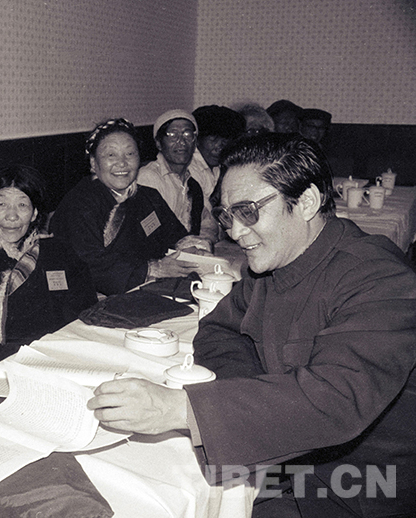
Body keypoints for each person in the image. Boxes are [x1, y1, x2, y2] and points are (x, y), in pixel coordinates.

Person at [88, 134, 416, 516]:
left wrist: (181, 409)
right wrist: (261, 398)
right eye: (227, 216)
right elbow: (218, 330)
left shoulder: (380, 278)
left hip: (364, 487)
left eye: (248, 211)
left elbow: (337, 397)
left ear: (307, 202)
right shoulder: (272, 267)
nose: (235, 232)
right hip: (285, 466)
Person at [0, 165, 97, 360]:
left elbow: (85, 311)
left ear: (34, 213)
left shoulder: (59, 252)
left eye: (22, 205)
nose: (12, 216)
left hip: (59, 353)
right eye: (1, 205)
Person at [50, 118, 200, 296]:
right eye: (111, 155)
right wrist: (152, 269)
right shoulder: (79, 204)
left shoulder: (148, 196)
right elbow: (88, 264)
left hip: (147, 291)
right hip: (93, 298)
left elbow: (176, 236)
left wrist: (192, 251)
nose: (122, 163)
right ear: (93, 164)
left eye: (130, 154)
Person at [137, 109, 220, 244]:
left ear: (195, 143)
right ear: (159, 143)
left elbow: (207, 223)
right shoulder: (148, 178)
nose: (181, 141)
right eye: (172, 135)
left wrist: (203, 242)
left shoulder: (192, 184)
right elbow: (148, 233)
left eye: (187, 134)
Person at [191, 105, 246, 202]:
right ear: (197, 139)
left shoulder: (217, 167)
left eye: (225, 142)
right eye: (213, 139)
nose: (219, 148)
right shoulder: (191, 168)